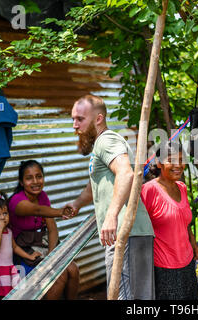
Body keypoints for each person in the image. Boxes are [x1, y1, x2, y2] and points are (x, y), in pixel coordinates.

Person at [65, 95, 155, 300]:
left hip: (126, 232)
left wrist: (111, 215)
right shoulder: (100, 145)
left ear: (98, 119)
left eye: (80, 119)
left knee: (125, 298)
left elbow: (126, 174)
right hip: (132, 232)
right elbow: (95, 184)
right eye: (73, 119)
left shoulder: (107, 140)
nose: (74, 125)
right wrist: (78, 203)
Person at [8, 160, 80, 300]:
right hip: (24, 253)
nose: (35, 181)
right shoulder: (17, 201)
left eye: (39, 176)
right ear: (21, 182)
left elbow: (52, 229)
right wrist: (61, 212)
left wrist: (51, 255)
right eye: (29, 178)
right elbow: (38, 210)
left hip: (43, 248)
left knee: (73, 269)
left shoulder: (42, 196)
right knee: (58, 275)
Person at [141, 141, 198, 300]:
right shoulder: (149, 190)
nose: (178, 165)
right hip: (164, 267)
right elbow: (137, 227)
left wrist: (193, 242)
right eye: (172, 160)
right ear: (159, 163)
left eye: (181, 160)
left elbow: (184, 220)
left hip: (187, 261)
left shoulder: (181, 187)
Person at [0, 197, 41, 299]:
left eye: (5, 213)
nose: (3, 218)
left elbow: (15, 247)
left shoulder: (9, 232)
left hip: (8, 270)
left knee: (11, 296)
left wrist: (29, 256)